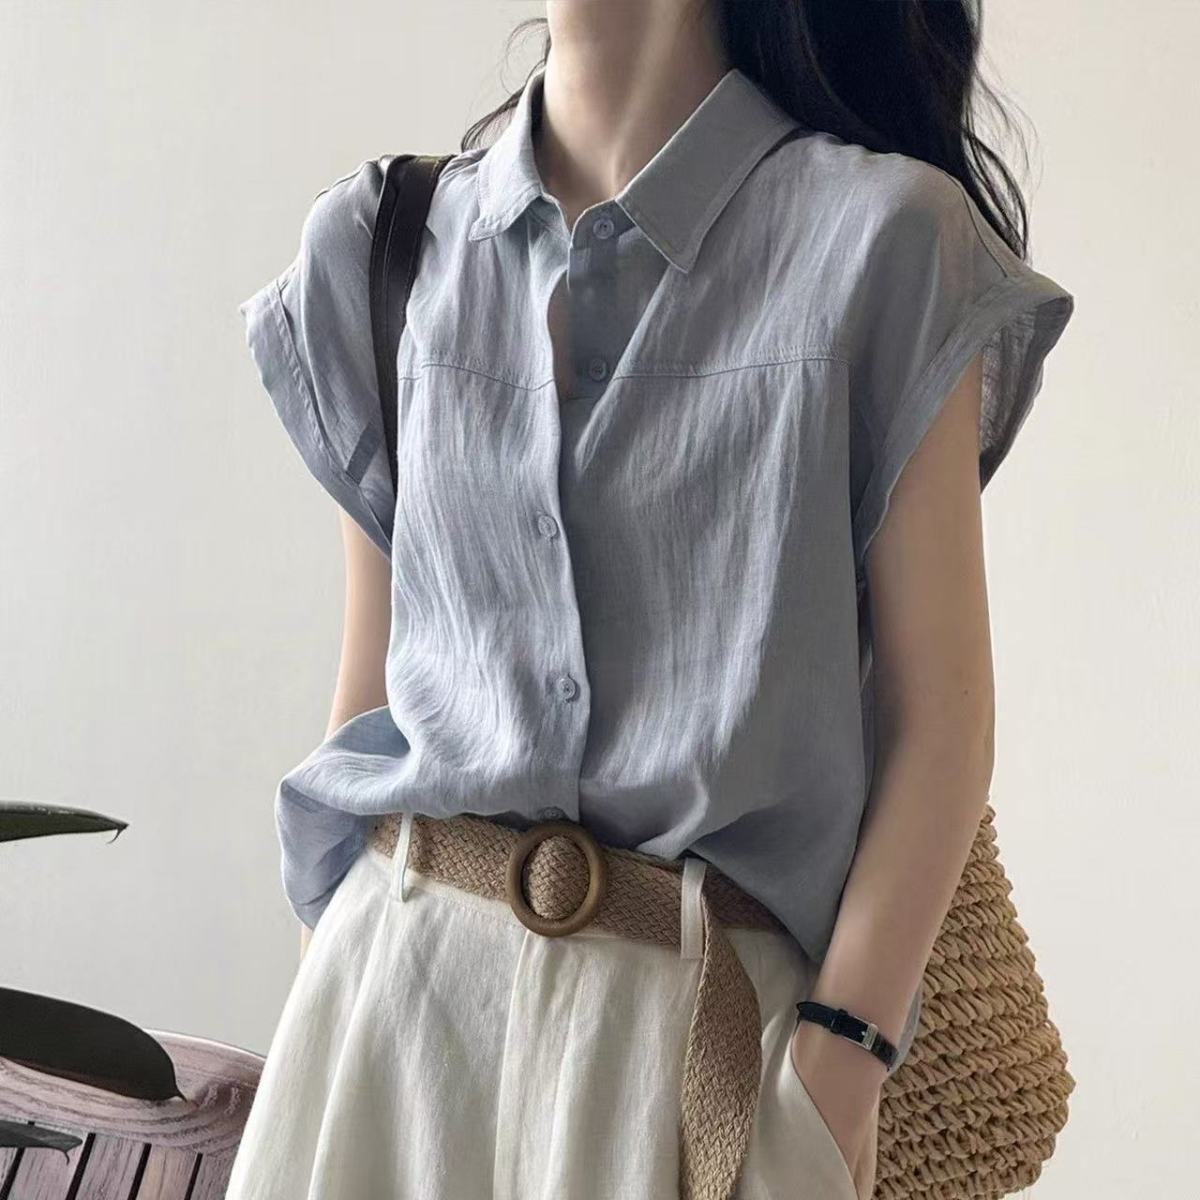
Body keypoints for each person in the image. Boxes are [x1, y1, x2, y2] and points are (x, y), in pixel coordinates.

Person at [226, 2, 1075, 1198]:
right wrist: (339, 979)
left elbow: (943, 724)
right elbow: (373, 690)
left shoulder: (884, 241)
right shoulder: (381, 245)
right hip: (395, 1018)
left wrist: (839, 1066)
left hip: (698, 1055)